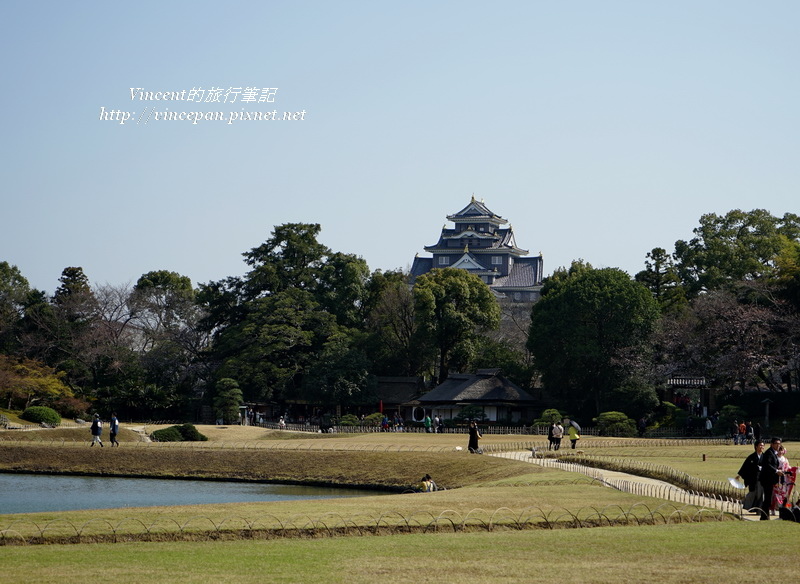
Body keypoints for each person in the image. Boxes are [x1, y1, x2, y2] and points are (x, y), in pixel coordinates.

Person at [759, 437, 785, 520]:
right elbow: (767, 465)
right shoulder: (769, 453)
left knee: (768, 498)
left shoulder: (774, 453)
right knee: (767, 498)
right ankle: (764, 516)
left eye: (779, 443)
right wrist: (776, 471)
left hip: (771, 479)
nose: (778, 445)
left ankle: (765, 516)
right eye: (776, 443)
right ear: (772, 444)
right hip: (767, 479)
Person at [736, 440, 765, 512]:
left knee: (760, 495)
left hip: (762, 479)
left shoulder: (765, 457)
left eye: (763, 445)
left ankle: (759, 510)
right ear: (756, 447)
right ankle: (748, 507)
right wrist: (739, 475)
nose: (762, 447)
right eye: (760, 445)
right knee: (752, 493)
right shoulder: (751, 457)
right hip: (753, 479)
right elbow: (745, 467)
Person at [771, 445, 796, 513]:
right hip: (776, 477)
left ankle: (783, 508)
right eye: (779, 450)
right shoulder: (774, 458)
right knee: (775, 494)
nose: (780, 451)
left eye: (781, 450)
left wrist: (794, 469)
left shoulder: (785, 459)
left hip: (783, 478)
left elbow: (788, 468)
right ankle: (773, 508)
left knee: (783, 494)